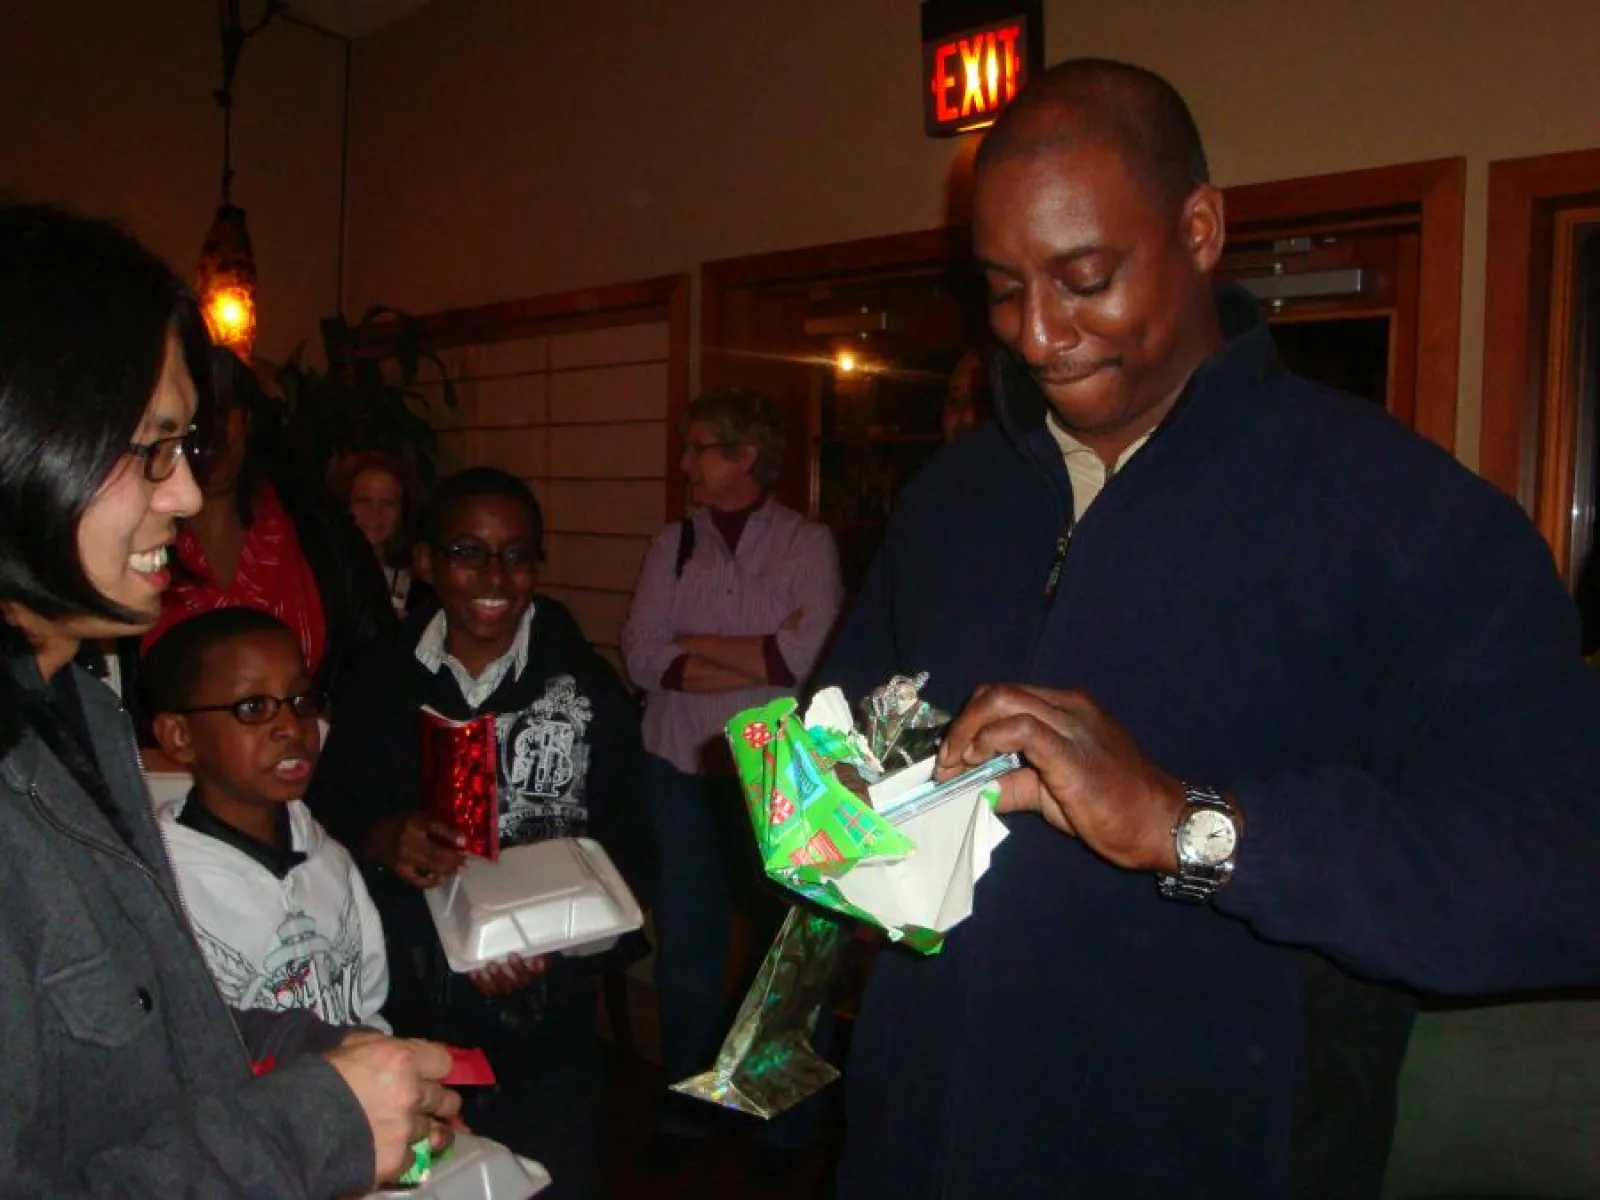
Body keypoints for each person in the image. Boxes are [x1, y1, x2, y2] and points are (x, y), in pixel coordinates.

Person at [816, 59, 1600, 1200]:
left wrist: (1192, 826)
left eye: (1083, 278)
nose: (1036, 337)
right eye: (1000, 288)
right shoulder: (951, 501)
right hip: (915, 1143)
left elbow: (1563, 875)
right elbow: (844, 741)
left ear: (1198, 229)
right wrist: (827, 808)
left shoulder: (1397, 516)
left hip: (1208, 1154)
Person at [0, 200, 458, 1196]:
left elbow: (138, 1033)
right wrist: (312, 1124)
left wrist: (317, 1047)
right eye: (151, 448)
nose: (179, 494)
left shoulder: (75, 709)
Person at [307, 466, 652, 1200]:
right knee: (434, 1186)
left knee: (557, 1180)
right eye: (468, 551)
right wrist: (380, 839)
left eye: (518, 554)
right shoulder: (381, 682)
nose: (496, 575)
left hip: (550, 1026)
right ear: (425, 562)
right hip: (412, 1015)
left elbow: (633, 850)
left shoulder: (584, 691)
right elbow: (326, 815)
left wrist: (561, 940)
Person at [620, 387, 844, 1173]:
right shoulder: (670, 544)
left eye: (699, 448)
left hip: (777, 768)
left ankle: (786, 1124)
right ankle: (687, 1111)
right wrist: (752, 651)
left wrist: (697, 647)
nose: (684, 463)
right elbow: (643, 655)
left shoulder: (805, 544)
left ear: (744, 456)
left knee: (791, 953)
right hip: (678, 763)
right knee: (686, 948)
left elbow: (805, 659)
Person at [144, 607, 389, 1029]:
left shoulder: (329, 860)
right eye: (254, 707)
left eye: (301, 701)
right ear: (180, 737)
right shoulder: (165, 894)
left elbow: (367, 1006)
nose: (291, 727)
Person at [139, 346, 396, 715]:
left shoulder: (316, 529)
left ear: (247, 420)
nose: (211, 432)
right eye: (196, 413)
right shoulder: (140, 538)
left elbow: (378, 657)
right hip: (163, 771)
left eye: (224, 409)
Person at [344, 450, 431, 619]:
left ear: (402, 513)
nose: (375, 513)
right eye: (364, 501)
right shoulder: (325, 576)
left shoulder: (419, 585)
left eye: (387, 503)